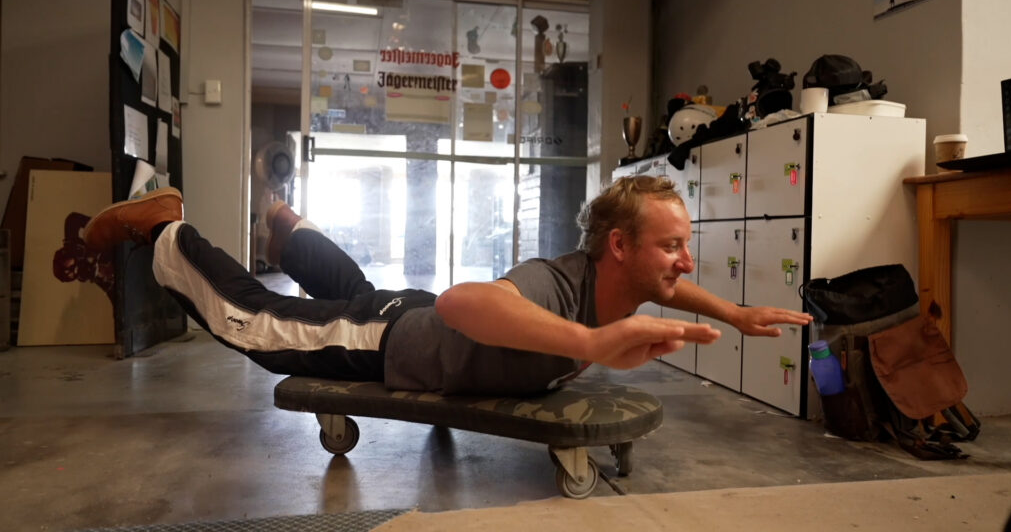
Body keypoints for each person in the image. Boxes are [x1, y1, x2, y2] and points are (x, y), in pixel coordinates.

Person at [82, 175, 811, 396]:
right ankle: (166, 229)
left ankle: (290, 228)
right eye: (673, 246)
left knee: (354, 292)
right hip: (392, 343)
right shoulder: (557, 288)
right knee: (263, 324)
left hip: (405, 314)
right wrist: (590, 342)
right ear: (619, 247)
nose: (686, 263)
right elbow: (466, 303)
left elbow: (673, 291)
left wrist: (737, 311)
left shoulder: (626, 282)